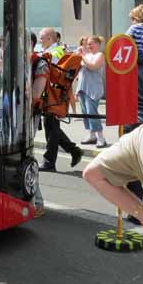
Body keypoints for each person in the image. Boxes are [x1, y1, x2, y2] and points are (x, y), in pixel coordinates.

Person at [37, 27, 83, 171]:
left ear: (50, 39)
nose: (40, 40)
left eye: (42, 38)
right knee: (52, 126)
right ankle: (74, 151)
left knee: (51, 128)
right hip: (56, 95)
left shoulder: (54, 52)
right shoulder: (57, 50)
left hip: (53, 95)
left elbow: (52, 71)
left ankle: (49, 162)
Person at [123, 3, 143, 214]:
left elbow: (122, 52)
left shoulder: (133, 31)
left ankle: (136, 209)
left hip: (137, 114)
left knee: (132, 160)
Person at [76, 35, 107, 148]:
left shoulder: (100, 55)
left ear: (98, 44)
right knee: (85, 114)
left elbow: (93, 66)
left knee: (92, 113)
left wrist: (82, 56)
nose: (89, 46)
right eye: (87, 44)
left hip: (93, 88)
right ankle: (91, 135)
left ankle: (101, 138)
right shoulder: (86, 55)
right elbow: (80, 73)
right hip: (82, 88)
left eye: (91, 44)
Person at [29, 32, 46, 217]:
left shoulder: (39, 63)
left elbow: (36, 95)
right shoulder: (13, 59)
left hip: (28, 117)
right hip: (12, 117)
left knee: (28, 156)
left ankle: (38, 201)